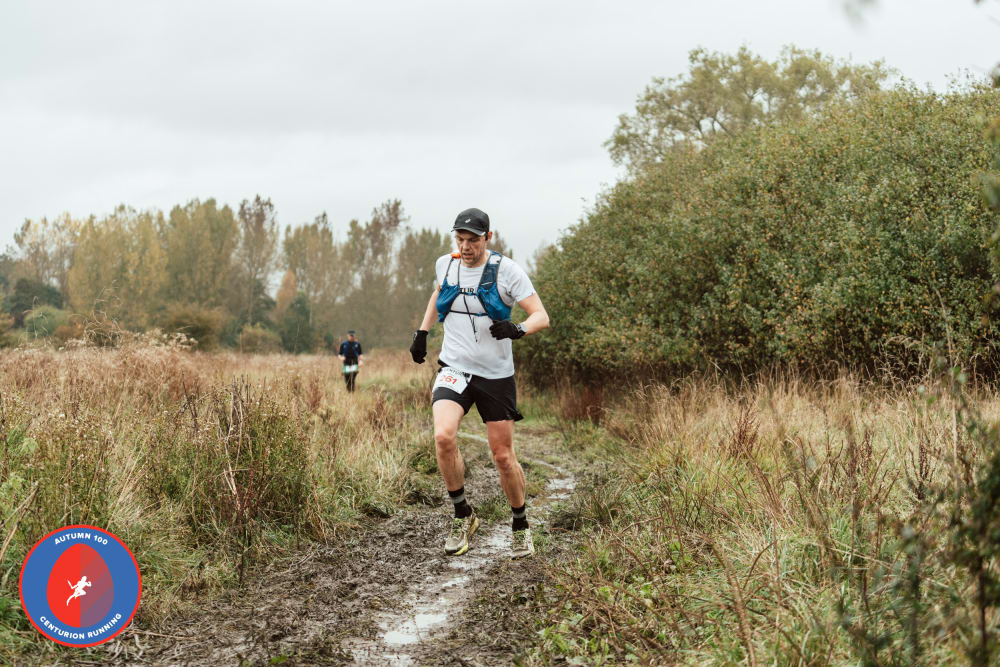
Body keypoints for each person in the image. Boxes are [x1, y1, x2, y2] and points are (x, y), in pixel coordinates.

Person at [409, 207, 549, 560]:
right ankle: (462, 515)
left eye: (472, 240)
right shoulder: (446, 264)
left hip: (495, 375)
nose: (465, 247)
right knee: (443, 437)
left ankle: (520, 525)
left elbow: (541, 316)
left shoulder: (507, 271)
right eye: (460, 239)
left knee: (503, 456)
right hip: (454, 368)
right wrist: (422, 332)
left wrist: (517, 329)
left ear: (488, 237)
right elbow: (438, 294)